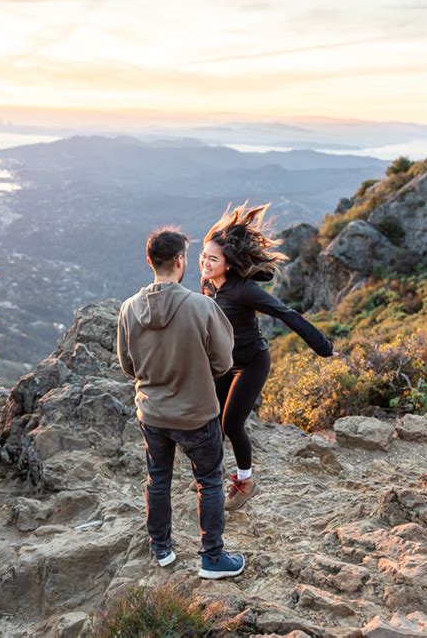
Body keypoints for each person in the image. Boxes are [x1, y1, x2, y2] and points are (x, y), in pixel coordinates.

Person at [117, 227, 245, 579]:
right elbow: (223, 363)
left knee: (157, 479)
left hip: (153, 413)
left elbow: (128, 365)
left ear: (149, 261)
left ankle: (161, 548)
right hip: (196, 414)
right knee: (209, 481)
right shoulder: (201, 307)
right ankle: (212, 558)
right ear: (179, 261)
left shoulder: (128, 309)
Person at [199, 203, 334, 511]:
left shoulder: (245, 291)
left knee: (232, 424)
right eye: (204, 256)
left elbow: (286, 314)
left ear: (229, 264)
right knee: (211, 420)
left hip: (252, 363)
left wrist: (323, 347)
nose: (205, 262)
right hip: (224, 363)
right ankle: (211, 476)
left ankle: (245, 481)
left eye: (213, 258)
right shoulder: (208, 285)